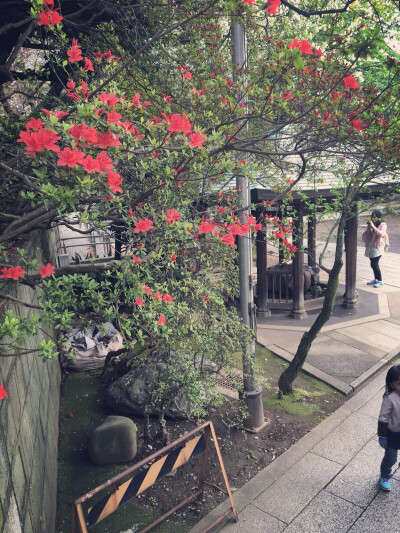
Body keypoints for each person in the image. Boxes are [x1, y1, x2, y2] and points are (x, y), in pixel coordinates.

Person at [378, 365, 400, 491]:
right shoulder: (390, 399)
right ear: (392, 385)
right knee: (391, 458)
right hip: (392, 435)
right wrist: (382, 437)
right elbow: (383, 419)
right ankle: (385, 475)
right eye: (399, 383)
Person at [362, 209, 387, 288]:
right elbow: (367, 235)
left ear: (379, 217)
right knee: (373, 264)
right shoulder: (372, 224)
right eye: (372, 216)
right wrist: (369, 228)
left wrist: (373, 227)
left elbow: (381, 234)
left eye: (375, 217)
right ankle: (376, 279)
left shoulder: (383, 225)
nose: (373, 218)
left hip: (377, 247)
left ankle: (380, 281)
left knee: (374, 264)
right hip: (370, 246)